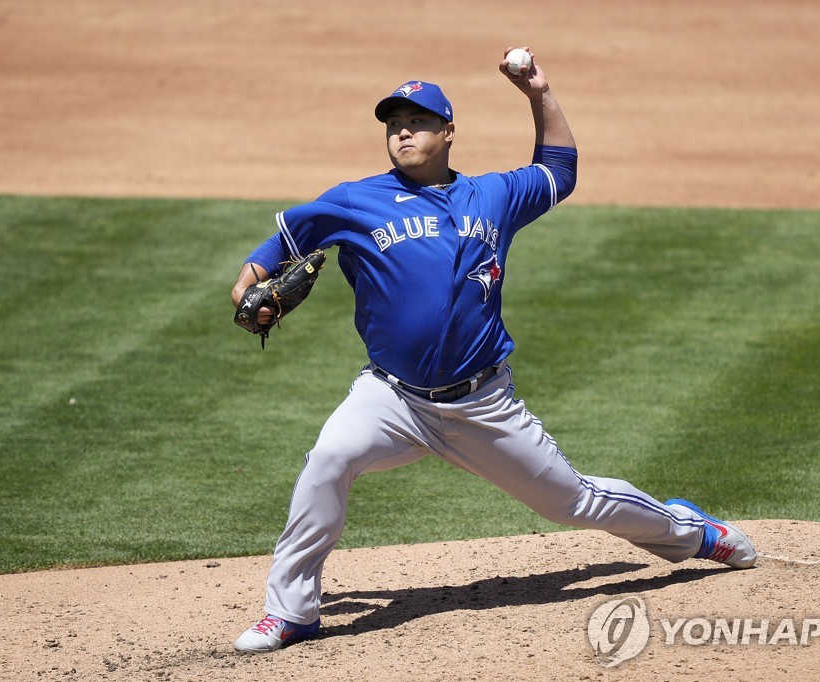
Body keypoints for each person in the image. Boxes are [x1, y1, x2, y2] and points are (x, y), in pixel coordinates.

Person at [230, 47, 757, 654]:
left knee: (572, 501)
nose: (403, 130)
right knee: (329, 460)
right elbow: (281, 241)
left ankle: (692, 532)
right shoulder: (356, 199)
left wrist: (539, 93)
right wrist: (248, 282)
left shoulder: (493, 196)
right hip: (391, 397)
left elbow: (560, 169)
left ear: (448, 131)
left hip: (483, 403)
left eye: (418, 120)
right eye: (393, 122)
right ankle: (290, 611)